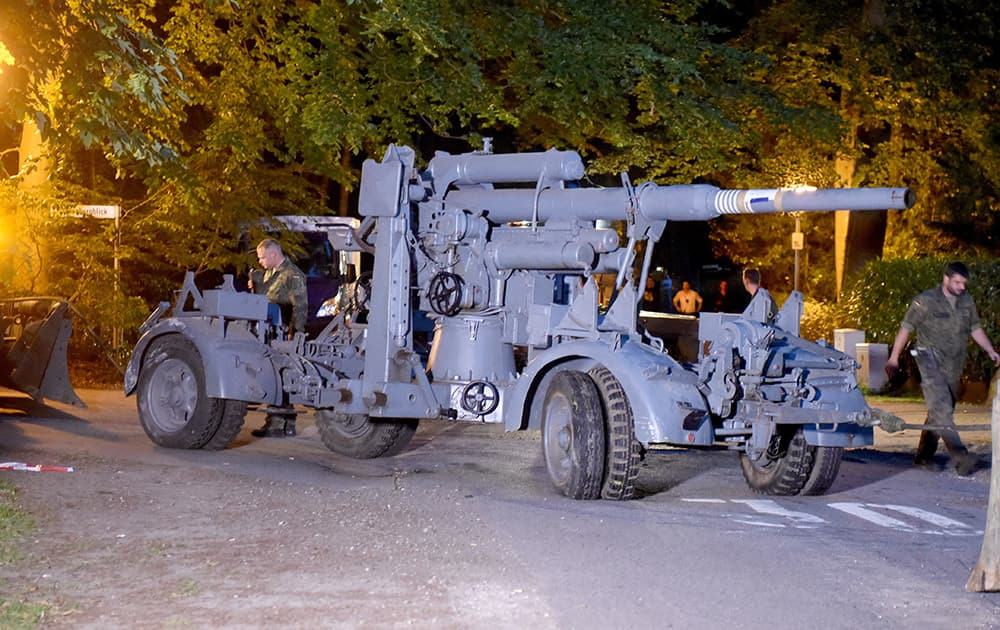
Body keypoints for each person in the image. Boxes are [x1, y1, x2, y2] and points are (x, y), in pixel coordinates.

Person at [886, 262, 1000, 476]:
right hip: (927, 358)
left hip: (952, 363)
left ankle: (923, 456)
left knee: (939, 410)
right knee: (942, 408)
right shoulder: (925, 300)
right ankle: (961, 458)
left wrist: (990, 351)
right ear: (946, 279)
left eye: (964, 283)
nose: (961, 287)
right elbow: (905, 328)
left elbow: (975, 329)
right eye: (957, 282)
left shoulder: (966, 302)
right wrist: (893, 358)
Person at [248, 238, 309, 438]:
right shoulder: (268, 274)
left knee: (281, 376)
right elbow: (264, 296)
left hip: (282, 333)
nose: (260, 261)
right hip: (265, 332)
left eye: (263, 257)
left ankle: (280, 423)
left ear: (274, 255)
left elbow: (300, 307)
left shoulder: (293, 275)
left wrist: (296, 333)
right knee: (273, 375)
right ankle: (281, 424)